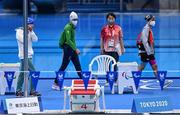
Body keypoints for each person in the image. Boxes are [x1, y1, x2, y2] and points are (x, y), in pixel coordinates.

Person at [137, 14, 172, 87]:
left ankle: (133, 80)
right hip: (147, 52)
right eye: (152, 20)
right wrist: (149, 52)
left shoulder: (149, 28)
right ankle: (162, 81)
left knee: (142, 67)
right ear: (149, 20)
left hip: (148, 52)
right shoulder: (146, 29)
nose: (154, 21)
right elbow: (144, 41)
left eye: (154, 20)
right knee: (154, 66)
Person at [52, 11, 82, 90]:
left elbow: (73, 40)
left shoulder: (72, 28)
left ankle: (84, 81)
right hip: (68, 49)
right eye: (74, 19)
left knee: (78, 65)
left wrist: (75, 48)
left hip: (72, 48)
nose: (75, 21)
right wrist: (75, 49)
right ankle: (55, 83)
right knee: (63, 66)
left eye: (76, 20)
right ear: (70, 19)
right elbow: (68, 40)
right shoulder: (67, 27)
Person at [15, 17, 41, 97]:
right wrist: (27, 32)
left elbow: (35, 39)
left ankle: (18, 91)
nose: (32, 26)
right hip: (24, 56)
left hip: (29, 55)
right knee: (33, 72)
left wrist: (31, 31)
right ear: (26, 24)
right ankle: (32, 91)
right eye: (30, 24)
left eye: (32, 24)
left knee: (22, 74)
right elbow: (24, 41)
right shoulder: (19, 32)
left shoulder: (30, 31)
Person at [100, 12, 125, 82]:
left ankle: (116, 79)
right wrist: (101, 49)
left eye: (112, 18)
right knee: (107, 66)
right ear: (107, 19)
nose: (111, 20)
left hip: (115, 50)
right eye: (109, 18)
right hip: (106, 50)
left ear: (115, 19)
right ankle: (108, 79)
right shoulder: (104, 29)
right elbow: (102, 39)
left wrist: (122, 48)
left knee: (115, 65)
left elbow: (121, 39)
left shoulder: (119, 28)